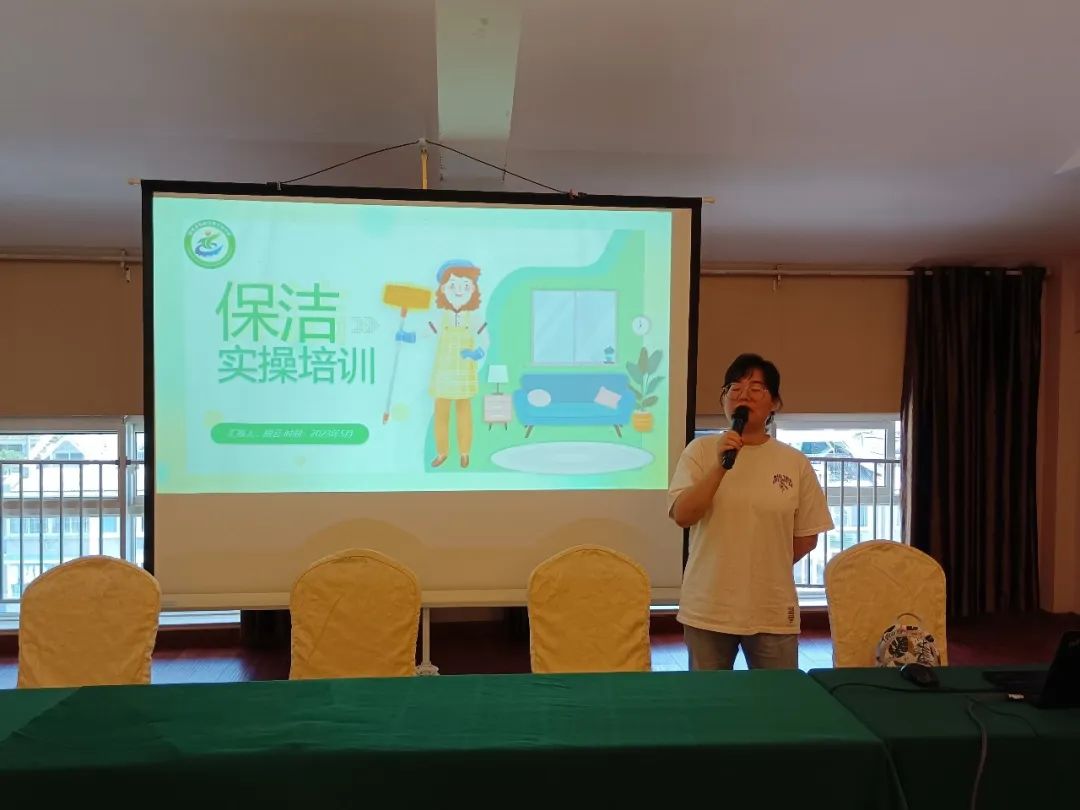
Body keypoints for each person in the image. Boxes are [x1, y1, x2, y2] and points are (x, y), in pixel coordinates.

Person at [667, 353, 833, 670]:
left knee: (776, 696)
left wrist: (760, 562)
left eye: (756, 388)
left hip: (771, 607)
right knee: (709, 698)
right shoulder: (700, 451)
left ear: (775, 403)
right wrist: (720, 466)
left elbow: (806, 537)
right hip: (708, 607)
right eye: (734, 387)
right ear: (724, 399)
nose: (743, 394)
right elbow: (683, 515)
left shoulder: (794, 462)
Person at [395, 260, 489, 468]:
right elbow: (425, 332)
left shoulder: (474, 318)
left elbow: (485, 339)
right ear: (444, 289)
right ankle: (442, 452)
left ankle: (465, 453)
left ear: (473, 289)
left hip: (463, 371)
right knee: (441, 414)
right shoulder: (441, 318)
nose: (459, 290)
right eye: (453, 285)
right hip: (444, 372)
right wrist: (407, 336)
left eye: (465, 285)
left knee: (464, 414)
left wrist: (477, 352)